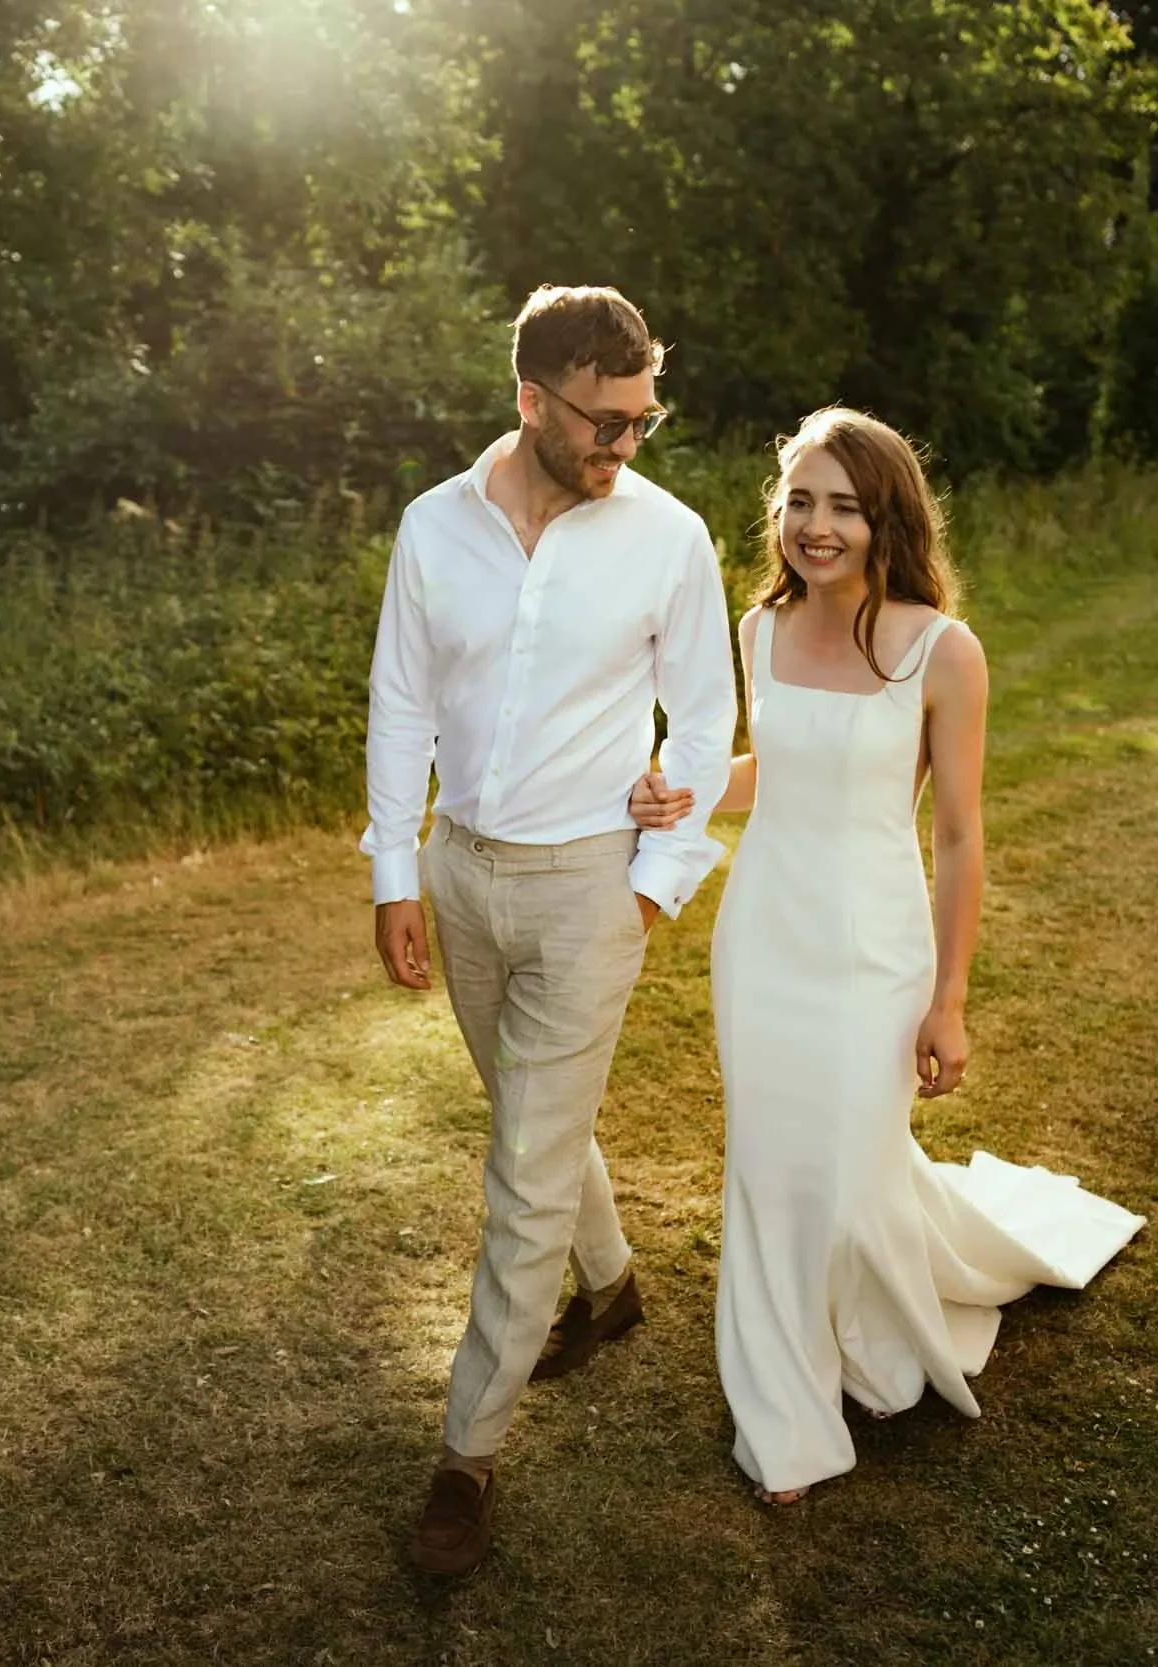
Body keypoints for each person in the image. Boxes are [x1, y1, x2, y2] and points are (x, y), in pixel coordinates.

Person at [630, 407, 1143, 1504]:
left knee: (851, 1169)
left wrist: (948, 1000)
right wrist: (684, 786)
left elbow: (957, 834)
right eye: (800, 502)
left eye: (843, 507)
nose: (816, 527)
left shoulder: (941, 650)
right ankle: (785, 1414)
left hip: (873, 945)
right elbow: (779, 767)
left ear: (885, 517)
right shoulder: (758, 630)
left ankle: (893, 1306)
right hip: (764, 930)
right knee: (772, 1169)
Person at [362, 285, 736, 1574]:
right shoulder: (431, 527)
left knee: (522, 1163)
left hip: (590, 890)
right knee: (531, 1113)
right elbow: (400, 704)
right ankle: (614, 1284)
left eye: (643, 420)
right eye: (603, 421)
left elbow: (700, 721)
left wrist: (651, 883)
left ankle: (465, 1455)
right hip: (458, 875)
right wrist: (394, 874)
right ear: (530, 398)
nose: (624, 446)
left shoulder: (668, 538)